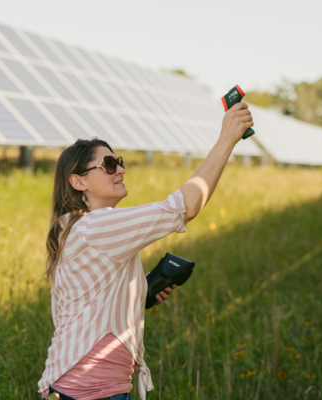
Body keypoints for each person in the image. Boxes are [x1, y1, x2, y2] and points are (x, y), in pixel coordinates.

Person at [37, 102, 254, 400]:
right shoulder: (96, 227)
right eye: (109, 165)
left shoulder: (72, 227)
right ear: (78, 181)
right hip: (91, 391)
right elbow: (185, 206)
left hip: (82, 386)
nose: (121, 169)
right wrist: (227, 139)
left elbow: (89, 299)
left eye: (120, 162)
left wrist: (141, 294)